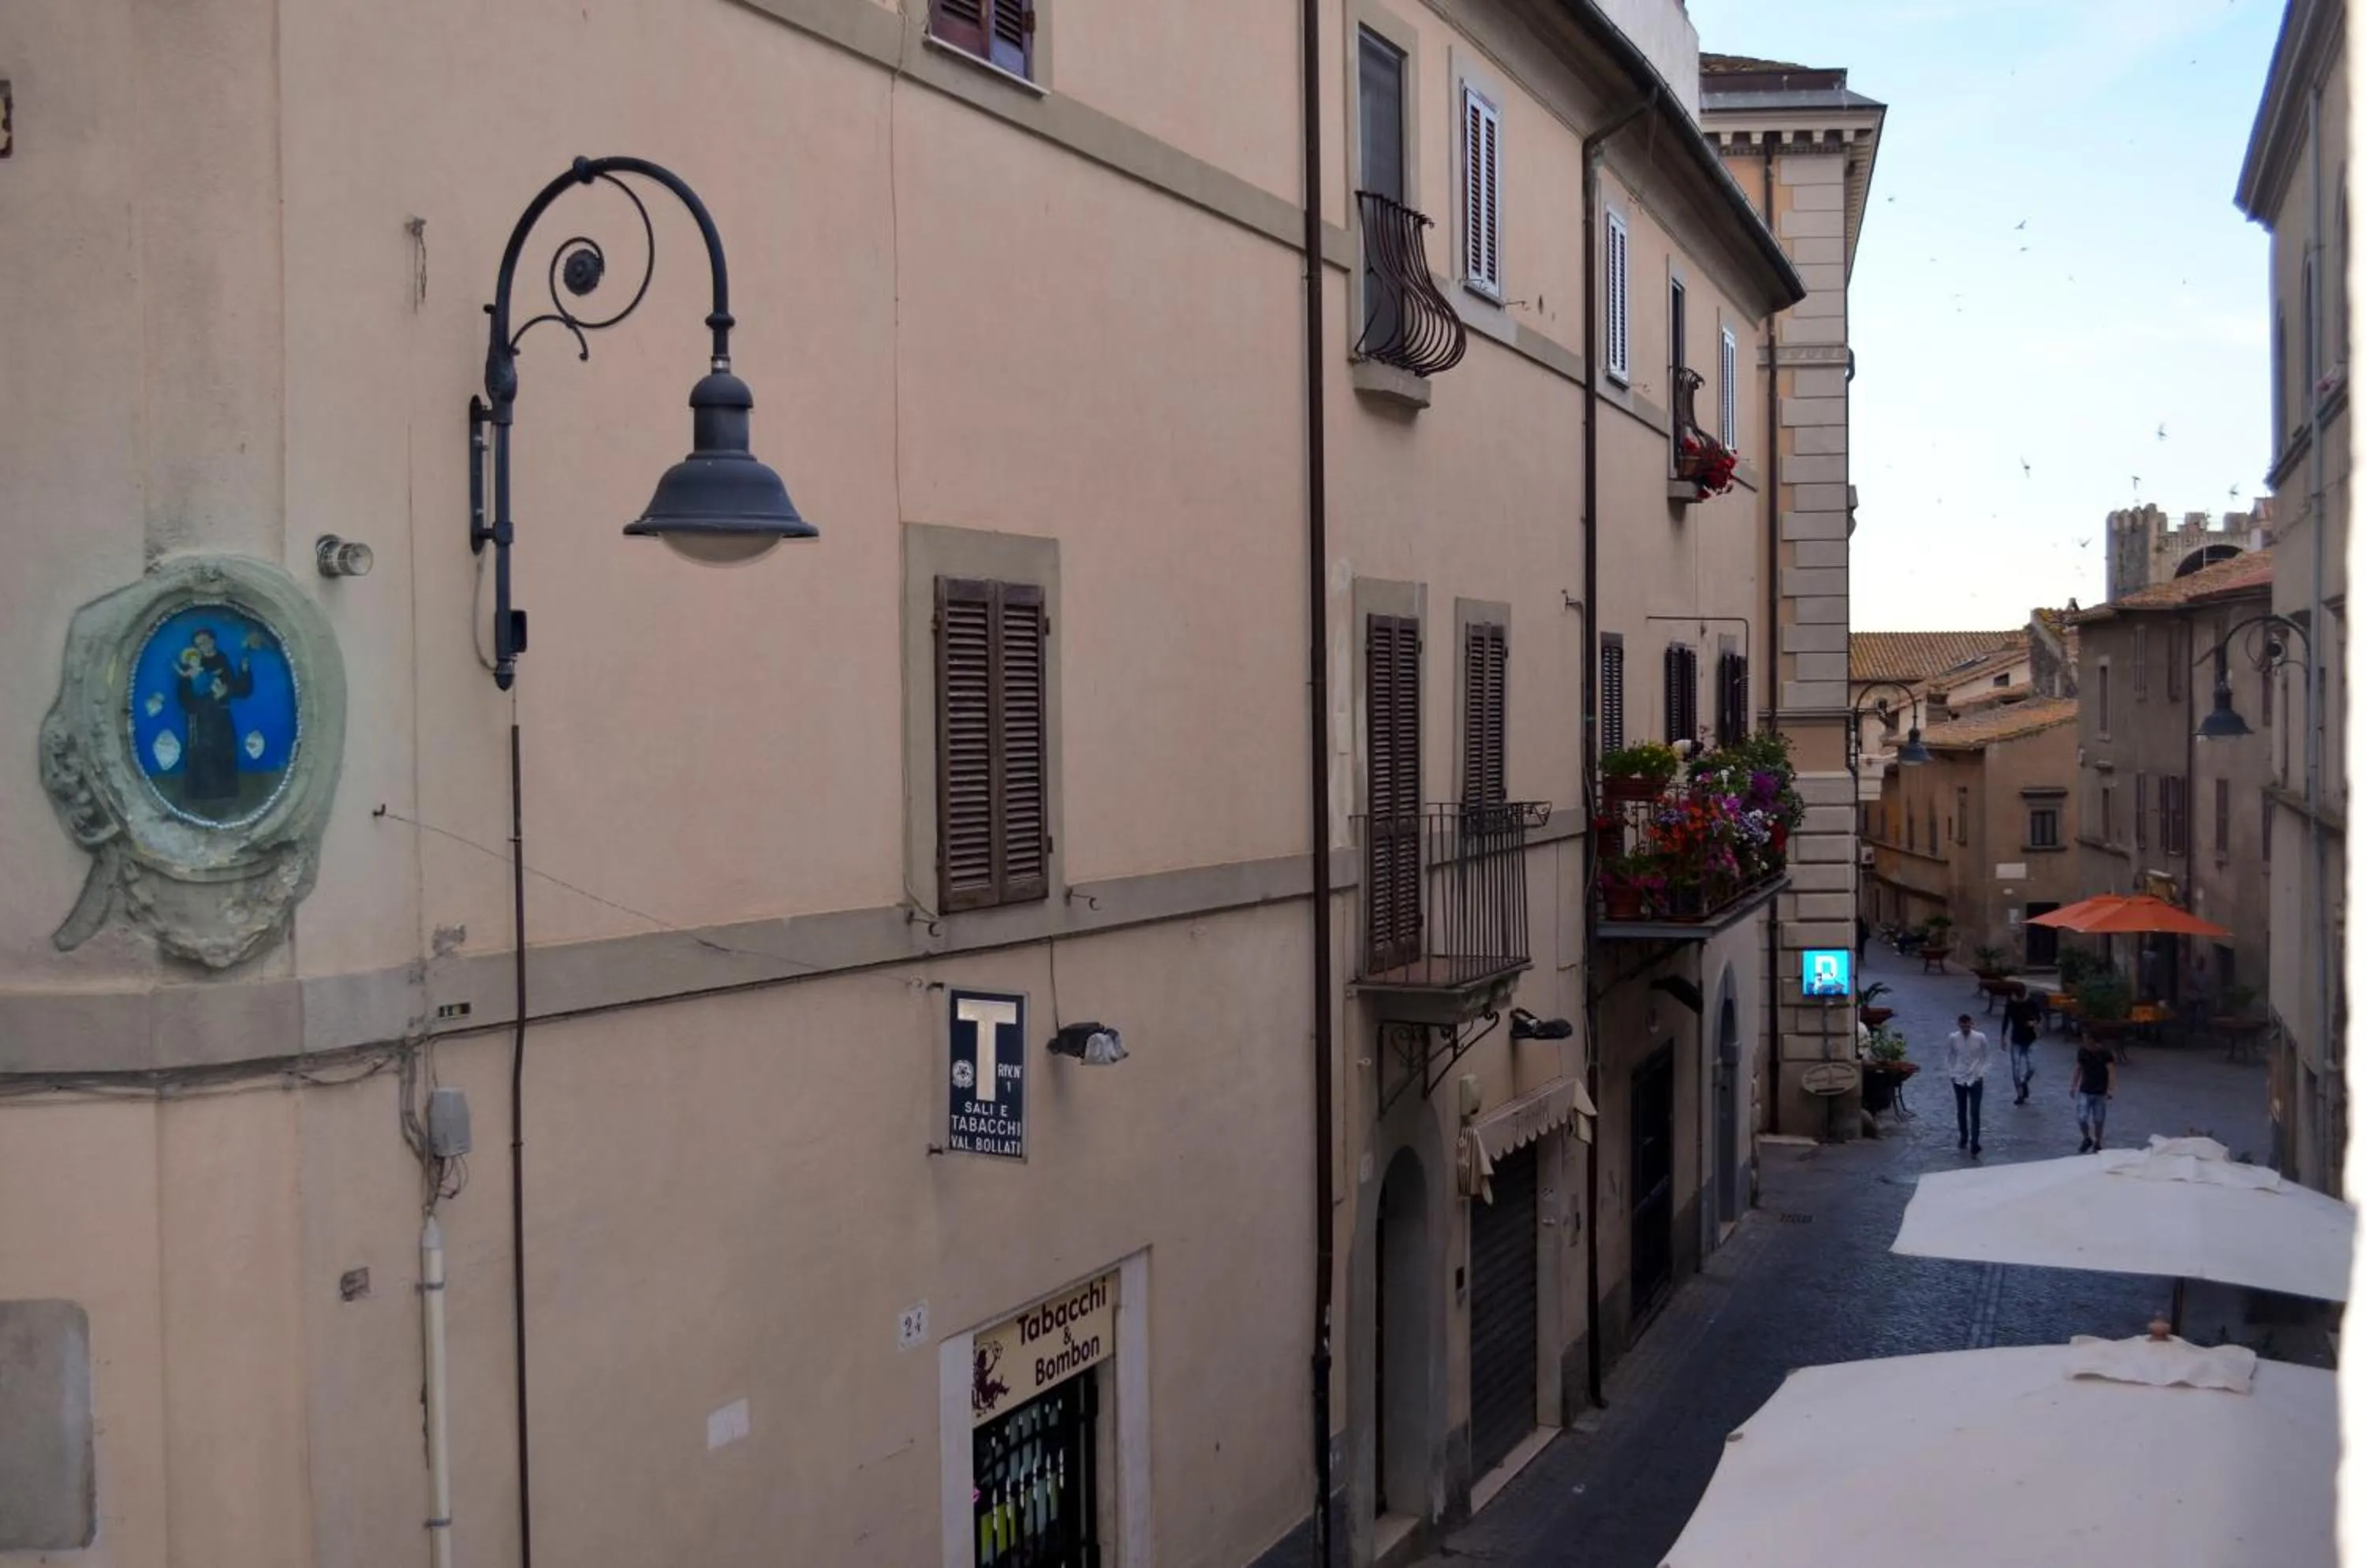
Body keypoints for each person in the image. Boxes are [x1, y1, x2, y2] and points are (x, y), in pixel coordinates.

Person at [173, 626, 256, 807]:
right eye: (199, 644)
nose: (203, 646)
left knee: (224, 752)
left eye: (206, 641)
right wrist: (202, 700)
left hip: (220, 716)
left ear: (213, 640)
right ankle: (199, 800)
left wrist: (243, 672)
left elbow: (239, 690)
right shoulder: (192, 664)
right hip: (201, 719)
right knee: (200, 756)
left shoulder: (222, 659)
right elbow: (184, 696)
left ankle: (226, 797)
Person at [1942, 1013, 1991, 1157]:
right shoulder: (1953, 1038)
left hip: (1976, 1077)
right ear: (1959, 1025)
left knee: (1975, 1111)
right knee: (1961, 1109)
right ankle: (1964, 1136)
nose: (1966, 1028)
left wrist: (1981, 1072)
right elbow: (1949, 1056)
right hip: (1959, 1077)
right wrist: (1951, 1073)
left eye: (1968, 1025)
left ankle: (1975, 1142)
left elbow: (1987, 1056)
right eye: (1963, 1025)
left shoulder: (1980, 1038)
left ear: (1972, 1024)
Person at [2073, 1035, 2116, 1152]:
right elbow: (2078, 1068)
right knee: (2082, 1118)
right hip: (2085, 1090)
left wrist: (2111, 1088)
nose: (2085, 1043)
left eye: (2087, 1040)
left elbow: (2111, 1071)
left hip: (2100, 1092)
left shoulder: (2105, 1054)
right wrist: (2073, 1085)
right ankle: (2086, 1138)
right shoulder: (2082, 1052)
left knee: (2099, 1120)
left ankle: (2098, 1141)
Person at [2003, 990, 2043, 1104]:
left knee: (2032, 1068)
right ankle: (2020, 1094)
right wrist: (2003, 1037)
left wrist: (2034, 1022)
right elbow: (2006, 1020)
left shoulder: (2031, 1003)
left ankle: (2024, 1082)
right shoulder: (2011, 1005)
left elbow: (2038, 1017)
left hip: (2030, 1040)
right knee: (2016, 1070)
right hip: (2016, 1040)